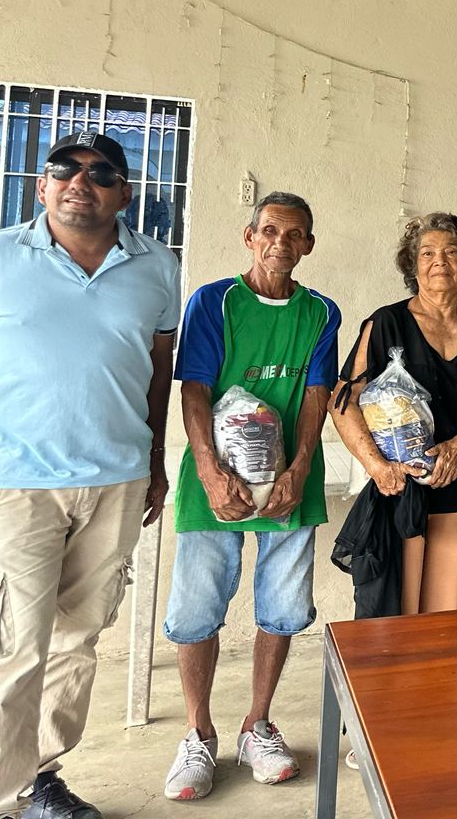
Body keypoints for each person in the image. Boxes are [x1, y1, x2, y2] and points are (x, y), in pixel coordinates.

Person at [0, 132, 179, 819]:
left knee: (77, 638)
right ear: (41, 185)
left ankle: (39, 776)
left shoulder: (158, 266)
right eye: (64, 169)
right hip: (19, 480)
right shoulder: (3, 255)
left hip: (117, 481)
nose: (81, 182)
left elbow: (157, 370)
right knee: (19, 642)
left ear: (124, 193)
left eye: (101, 172)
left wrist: (155, 461)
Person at [160, 193, 340, 801]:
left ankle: (257, 725)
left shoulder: (321, 312)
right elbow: (195, 390)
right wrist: (211, 472)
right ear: (249, 236)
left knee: (283, 609)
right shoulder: (214, 302)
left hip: (289, 484)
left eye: (294, 234)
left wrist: (299, 467)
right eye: (269, 231)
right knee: (194, 613)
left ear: (308, 244)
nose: (279, 243)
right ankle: (198, 734)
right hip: (216, 486)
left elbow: (316, 393)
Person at [330, 213, 457, 614]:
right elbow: (343, 401)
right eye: (427, 253)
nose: (439, 260)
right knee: (396, 615)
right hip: (401, 491)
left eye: (451, 252)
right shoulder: (386, 323)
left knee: (450, 616)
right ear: (413, 266)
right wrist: (377, 466)